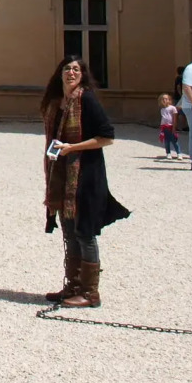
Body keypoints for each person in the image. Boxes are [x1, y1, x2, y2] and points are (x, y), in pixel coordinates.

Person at [41, 56, 130, 308]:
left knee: (84, 232)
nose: (71, 72)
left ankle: (91, 293)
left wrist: (73, 148)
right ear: (60, 74)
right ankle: (73, 285)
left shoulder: (86, 99)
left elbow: (107, 137)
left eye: (76, 69)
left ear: (83, 74)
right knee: (69, 233)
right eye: (67, 68)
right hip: (62, 175)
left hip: (86, 175)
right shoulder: (56, 103)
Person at [157, 94, 180, 159]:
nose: (164, 100)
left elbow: (175, 118)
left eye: (166, 99)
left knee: (174, 141)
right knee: (166, 141)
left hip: (171, 126)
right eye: (163, 99)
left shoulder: (172, 108)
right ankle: (168, 153)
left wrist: (174, 127)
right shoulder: (162, 109)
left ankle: (179, 153)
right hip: (164, 126)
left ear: (169, 100)